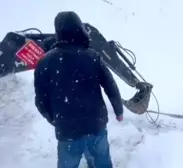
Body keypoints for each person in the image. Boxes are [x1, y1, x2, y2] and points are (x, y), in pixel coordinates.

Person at [34, 11, 124, 168]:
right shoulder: (93, 56)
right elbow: (110, 85)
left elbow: (41, 100)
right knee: (102, 161)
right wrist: (119, 111)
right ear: (79, 29)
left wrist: (56, 120)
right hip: (96, 125)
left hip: (68, 131)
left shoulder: (45, 62)